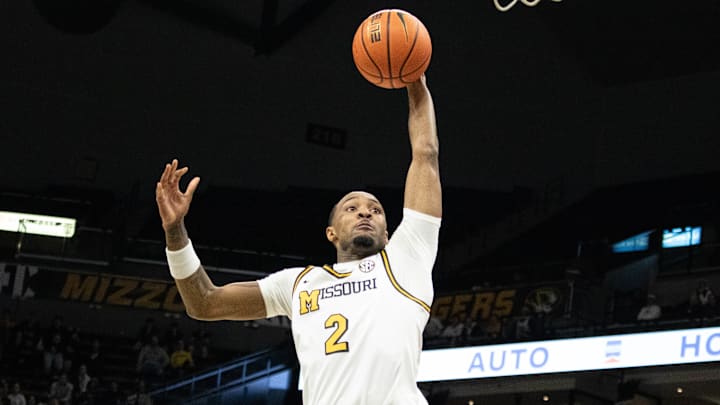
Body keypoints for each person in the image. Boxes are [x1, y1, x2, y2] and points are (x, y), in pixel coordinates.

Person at [155, 76, 440, 404]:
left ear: (388, 234)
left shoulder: (407, 260)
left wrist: (415, 80)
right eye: (352, 208)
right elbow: (204, 303)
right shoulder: (299, 284)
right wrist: (174, 231)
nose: (365, 213)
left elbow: (425, 155)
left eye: (375, 210)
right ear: (331, 233)